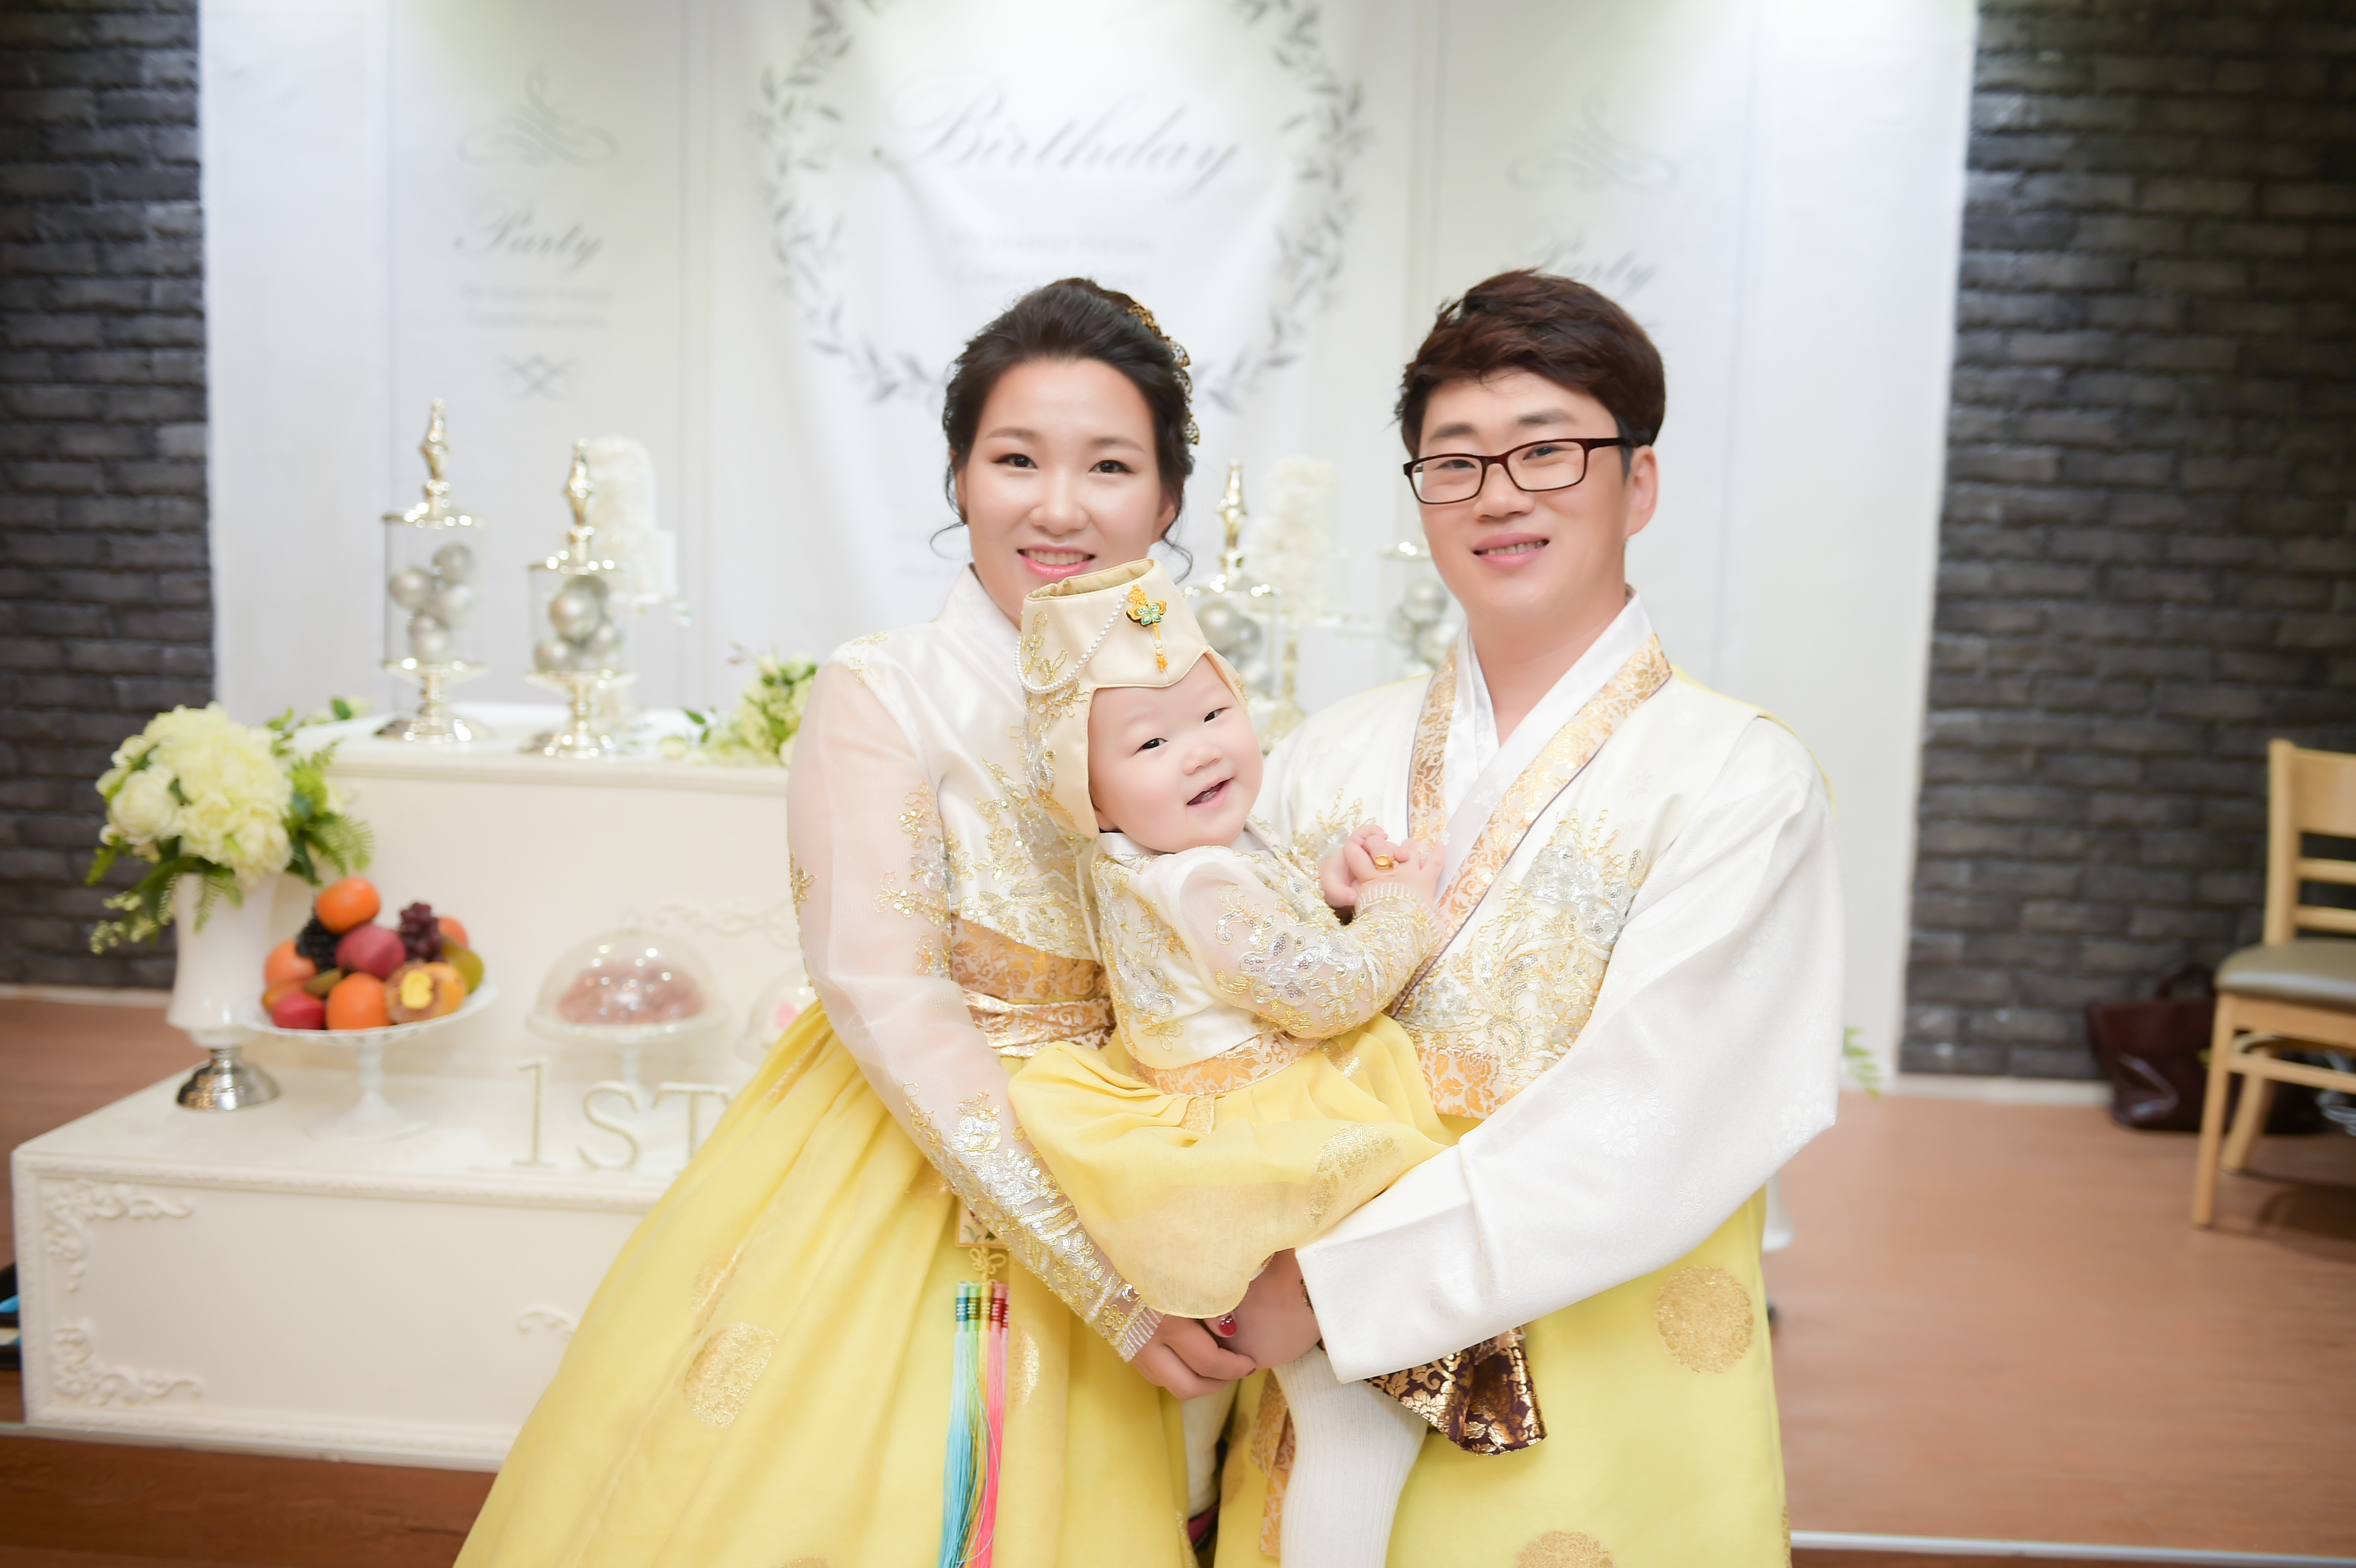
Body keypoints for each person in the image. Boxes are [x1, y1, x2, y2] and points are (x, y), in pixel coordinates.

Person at [456, 279, 1252, 1568]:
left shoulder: (1196, 690)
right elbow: (888, 994)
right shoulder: (887, 690)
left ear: (1167, 501)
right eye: (1016, 459)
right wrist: (1105, 1277)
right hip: (936, 1165)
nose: (1059, 507)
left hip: (1150, 1164)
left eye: (1109, 465)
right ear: (959, 479)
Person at [1225, 269, 1846, 1564]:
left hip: (1591, 1370)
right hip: (1304, 1366)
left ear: (1640, 482)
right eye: (1454, 460)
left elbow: (1657, 1118)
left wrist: (1328, 1290)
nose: (1499, 495)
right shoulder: (1329, 754)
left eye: (1547, 451)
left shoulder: (1739, 778)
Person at [1003, 558, 1469, 1568]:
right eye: (1151, 742)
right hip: (1269, 1143)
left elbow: (1248, 929)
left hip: (1195, 1139)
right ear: (1086, 789)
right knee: (1356, 1418)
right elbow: (1325, 992)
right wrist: (1397, 912)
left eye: (1215, 713)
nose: (1202, 750)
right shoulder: (1200, 878)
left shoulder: (1154, 858)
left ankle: (1194, 1523)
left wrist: (1324, 885)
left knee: (1239, 1414)